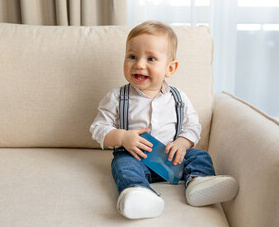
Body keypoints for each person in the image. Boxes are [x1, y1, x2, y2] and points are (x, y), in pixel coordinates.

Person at [90, 20, 238, 219]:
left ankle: (198, 184)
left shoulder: (178, 97)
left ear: (170, 68)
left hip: (172, 159)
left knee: (199, 156)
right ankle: (139, 194)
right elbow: (98, 128)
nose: (139, 64)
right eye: (132, 56)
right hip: (136, 159)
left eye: (151, 58)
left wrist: (182, 143)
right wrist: (123, 137)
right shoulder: (117, 97)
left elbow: (192, 126)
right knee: (122, 165)